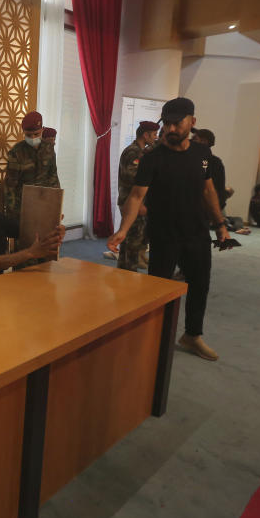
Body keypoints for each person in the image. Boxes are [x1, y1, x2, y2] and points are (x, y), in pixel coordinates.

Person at [108, 97, 228, 362]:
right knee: (158, 291)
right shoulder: (152, 159)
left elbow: (208, 191)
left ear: (192, 122)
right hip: (164, 236)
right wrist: (123, 230)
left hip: (197, 233)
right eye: (168, 124)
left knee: (199, 286)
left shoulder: (203, 155)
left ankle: (192, 335)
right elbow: (137, 196)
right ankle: (157, 337)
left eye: (177, 123)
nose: (171, 129)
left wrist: (220, 224)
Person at [116, 120, 158, 271]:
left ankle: (123, 268)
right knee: (133, 240)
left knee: (130, 239)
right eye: (154, 135)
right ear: (145, 135)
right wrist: (139, 203)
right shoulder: (133, 152)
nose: (156, 137)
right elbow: (131, 178)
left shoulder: (142, 151)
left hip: (134, 201)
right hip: (130, 202)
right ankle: (129, 271)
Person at [4, 111, 60, 221]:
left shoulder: (49, 148)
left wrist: (56, 204)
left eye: (36, 134)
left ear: (42, 130)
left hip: (45, 202)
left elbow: (53, 177)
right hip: (24, 206)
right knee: (26, 237)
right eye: (28, 135)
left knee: (48, 236)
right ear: (23, 132)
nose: (33, 138)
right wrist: (14, 215)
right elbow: (10, 187)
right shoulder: (16, 153)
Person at [191, 128, 231, 210]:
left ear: (204, 141)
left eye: (194, 139)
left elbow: (217, 188)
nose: (190, 141)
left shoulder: (215, 163)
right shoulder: (190, 158)